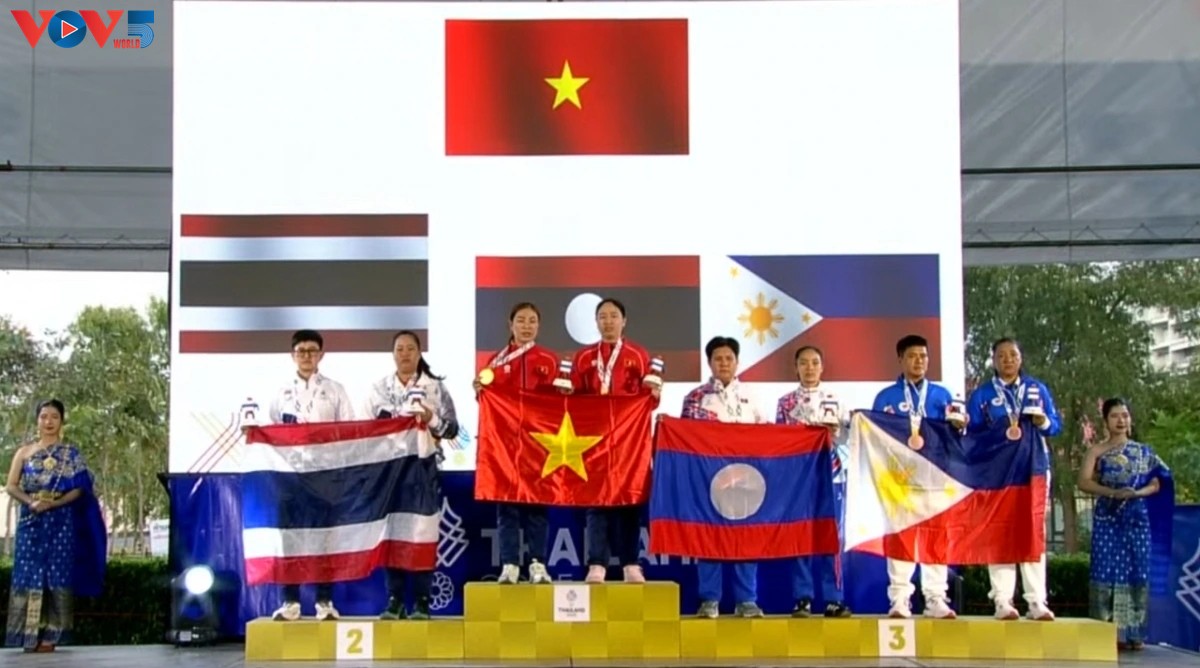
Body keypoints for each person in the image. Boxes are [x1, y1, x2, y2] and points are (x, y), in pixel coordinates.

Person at [366, 330, 460, 619]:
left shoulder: (435, 388)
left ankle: (421, 600)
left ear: (419, 353)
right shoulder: (379, 389)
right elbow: (366, 432)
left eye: (410, 348)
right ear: (393, 354)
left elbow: (453, 430)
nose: (405, 354)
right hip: (389, 471)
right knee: (392, 533)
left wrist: (430, 418)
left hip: (424, 470)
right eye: (400, 349)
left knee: (423, 534)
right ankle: (394, 600)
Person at [966, 337, 1060, 621]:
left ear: (1021, 358)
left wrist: (1042, 421)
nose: (1008, 360)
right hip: (998, 473)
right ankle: (1002, 600)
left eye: (1013, 355)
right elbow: (973, 436)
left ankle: (1036, 601)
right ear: (994, 360)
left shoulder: (1037, 389)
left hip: (1033, 468)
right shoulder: (982, 395)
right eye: (1002, 355)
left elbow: (1055, 426)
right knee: (1000, 531)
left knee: (1033, 531)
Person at [570, 298, 661, 584]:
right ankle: (596, 563)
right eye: (603, 317)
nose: (608, 321)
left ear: (624, 321)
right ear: (596, 322)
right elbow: (574, 401)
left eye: (613, 316)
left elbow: (648, 403)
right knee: (596, 502)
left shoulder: (639, 355)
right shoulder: (583, 358)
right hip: (594, 442)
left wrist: (654, 395)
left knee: (629, 501)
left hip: (629, 442)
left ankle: (630, 563)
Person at [266, 329, 355, 622]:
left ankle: (324, 601)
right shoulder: (280, 392)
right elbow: (271, 432)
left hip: (325, 476)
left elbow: (349, 431)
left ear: (321, 355)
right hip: (290, 477)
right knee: (289, 539)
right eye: (301, 351)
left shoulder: (336, 390)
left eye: (312, 351)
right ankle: (290, 601)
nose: (306, 356)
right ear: (292, 355)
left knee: (324, 539)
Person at [5, 399, 105, 652]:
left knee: (58, 573)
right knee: (27, 572)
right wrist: (31, 502)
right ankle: (27, 636)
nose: (48, 422)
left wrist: (56, 503)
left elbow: (81, 488)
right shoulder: (24, 452)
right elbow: (11, 486)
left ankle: (53, 636)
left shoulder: (71, 454)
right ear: (37, 420)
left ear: (62, 421)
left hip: (61, 520)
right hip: (31, 520)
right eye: (44, 416)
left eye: (54, 417)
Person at [472, 302, 561, 585]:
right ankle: (510, 563)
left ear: (539, 326)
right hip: (505, 446)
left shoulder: (550, 360)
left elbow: (559, 405)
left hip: (539, 445)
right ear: (510, 325)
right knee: (507, 506)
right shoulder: (495, 362)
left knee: (537, 506)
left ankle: (537, 564)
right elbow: (489, 405)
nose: (526, 326)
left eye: (532, 321)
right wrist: (480, 391)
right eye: (521, 320)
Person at [870, 334, 956, 619]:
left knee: (935, 537)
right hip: (900, 478)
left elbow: (955, 435)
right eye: (912, 356)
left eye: (923, 356)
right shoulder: (886, 397)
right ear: (900, 359)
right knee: (901, 537)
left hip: (935, 475)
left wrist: (960, 426)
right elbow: (876, 437)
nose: (919, 361)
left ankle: (935, 598)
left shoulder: (942, 395)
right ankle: (900, 599)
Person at [684, 336, 766, 618]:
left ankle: (747, 600)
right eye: (718, 358)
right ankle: (709, 599)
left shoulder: (752, 397)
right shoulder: (696, 397)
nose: (724, 363)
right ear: (709, 363)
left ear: (737, 362)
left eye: (729, 358)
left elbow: (766, 435)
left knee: (746, 537)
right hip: (711, 480)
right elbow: (686, 440)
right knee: (710, 537)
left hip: (747, 479)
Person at [1078, 398, 1170, 650]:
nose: (1121, 420)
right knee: (1104, 569)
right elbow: (1084, 482)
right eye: (1115, 416)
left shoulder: (1144, 452)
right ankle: (1104, 632)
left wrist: (1136, 493)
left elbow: (1158, 483)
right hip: (1108, 516)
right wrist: (1112, 492)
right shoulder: (1096, 451)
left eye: (1125, 415)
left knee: (1137, 569)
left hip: (1137, 517)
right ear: (1106, 421)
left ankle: (1135, 632)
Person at [775, 346, 851, 618]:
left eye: (815, 363)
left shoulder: (836, 400)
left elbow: (850, 438)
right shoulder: (785, 403)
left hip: (832, 474)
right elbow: (780, 441)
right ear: (796, 368)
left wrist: (837, 432)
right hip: (798, 478)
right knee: (800, 534)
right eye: (804, 363)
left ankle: (834, 598)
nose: (809, 368)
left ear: (822, 367)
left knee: (832, 536)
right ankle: (803, 598)